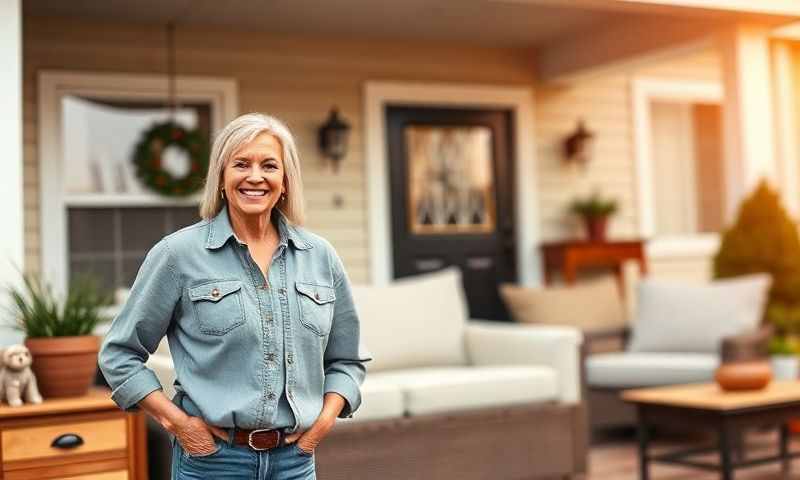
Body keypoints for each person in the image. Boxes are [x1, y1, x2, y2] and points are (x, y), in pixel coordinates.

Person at [99, 113, 369, 479]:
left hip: (295, 462)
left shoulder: (320, 256)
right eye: (241, 164)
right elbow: (119, 354)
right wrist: (178, 424)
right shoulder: (178, 255)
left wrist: (320, 426)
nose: (255, 176)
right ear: (222, 179)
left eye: (269, 165)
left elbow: (346, 361)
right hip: (212, 461)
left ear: (285, 181)